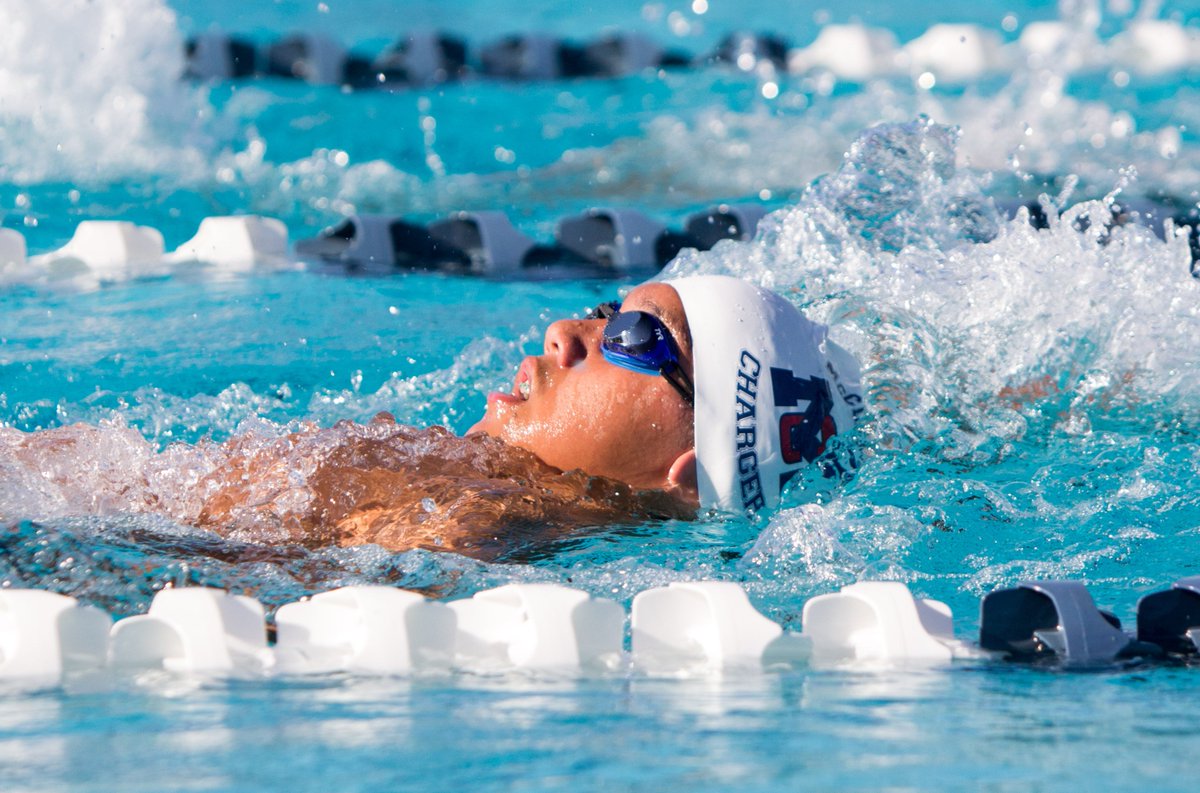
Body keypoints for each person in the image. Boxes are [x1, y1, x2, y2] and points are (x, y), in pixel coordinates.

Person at [1, 276, 863, 559]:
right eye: (604, 310)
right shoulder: (465, 482)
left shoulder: (474, 522)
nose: (568, 333)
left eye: (634, 338)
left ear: (688, 470)